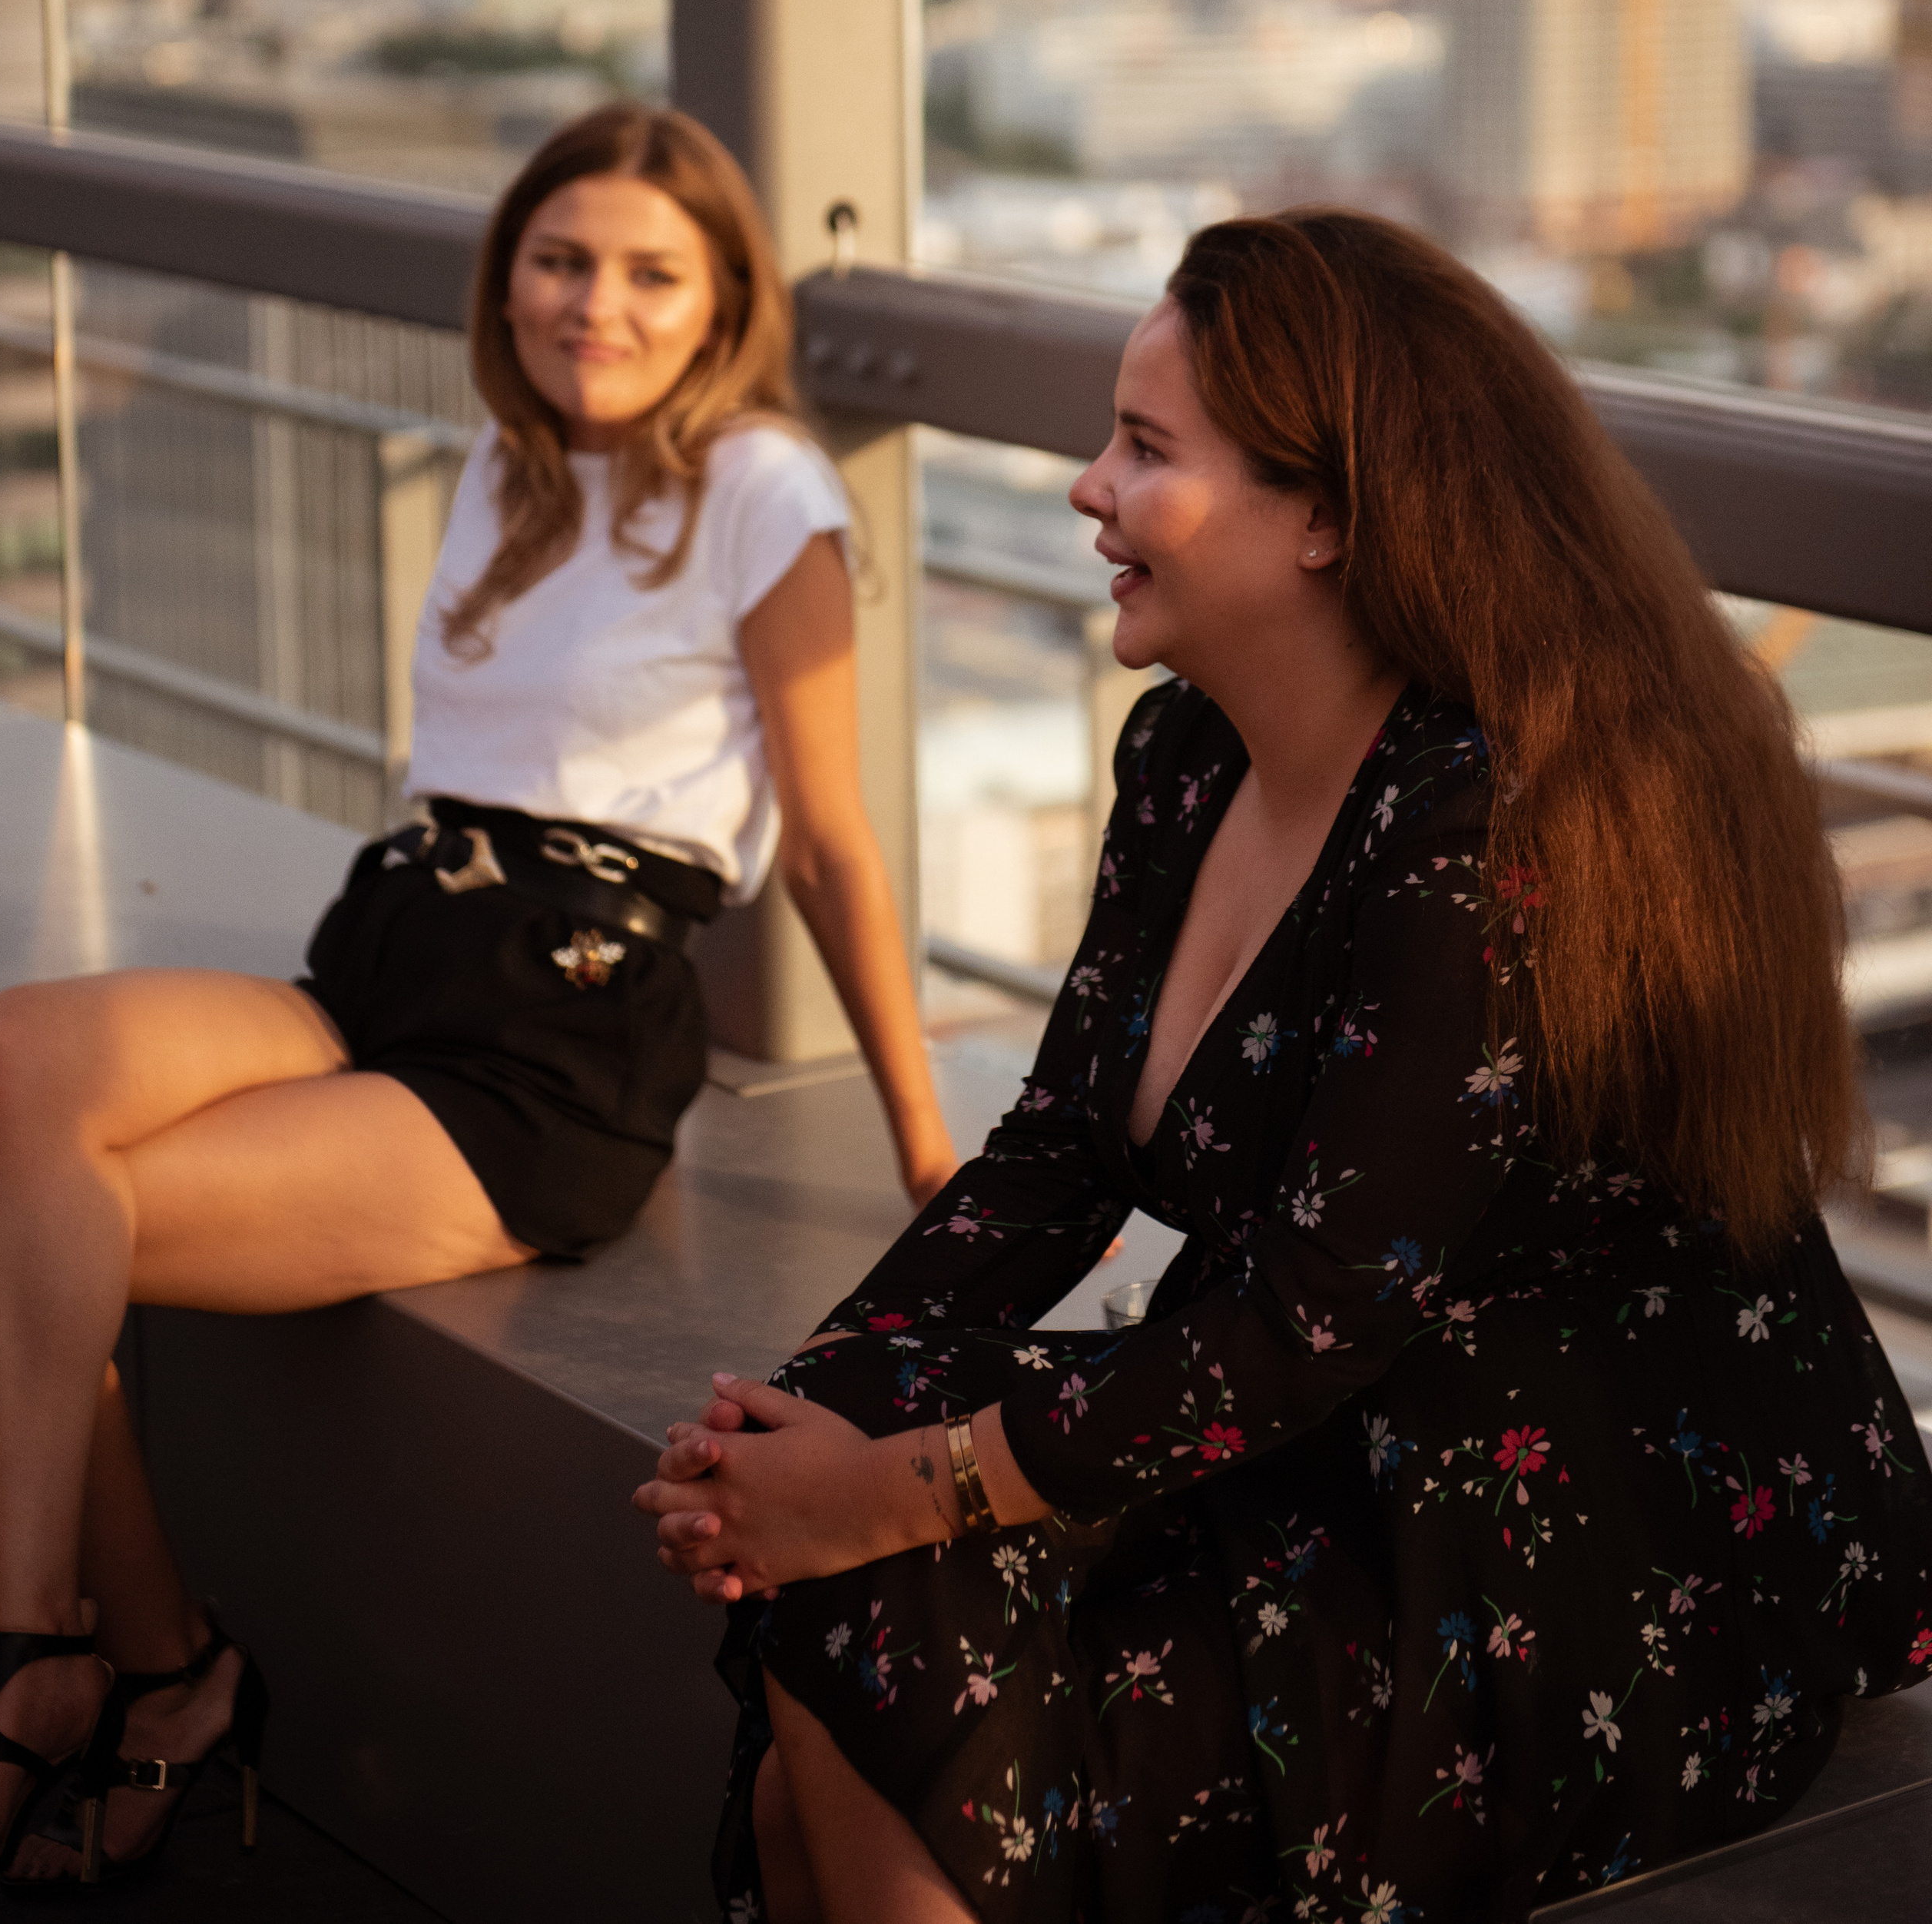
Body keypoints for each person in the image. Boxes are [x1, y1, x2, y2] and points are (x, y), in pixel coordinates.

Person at [638, 207, 1932, 1924]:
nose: (1083, 488)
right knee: (841, 1544)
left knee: (873, 1613)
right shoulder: (1184, 753)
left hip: (1583, 1534)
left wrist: (875, 1493)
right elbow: (1053, 1150)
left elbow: (1306, 1317)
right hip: (1326, 1429)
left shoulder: (1481, 827)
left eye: (1143, 448)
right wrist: (785, 1425)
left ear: (1327, 515)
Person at [0, 98, 955, 1889]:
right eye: (562, 261)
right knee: (18, 1063)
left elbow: (830, 845)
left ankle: (62, 1664)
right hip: (391, 951)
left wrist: (921, 1142)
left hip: (557, 1041)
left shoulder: (761, 489)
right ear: (508, 278)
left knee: (48, 1221)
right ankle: (139, 1666)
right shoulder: (503, 465)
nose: (597, 305)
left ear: (722, 297)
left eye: (652, 273)